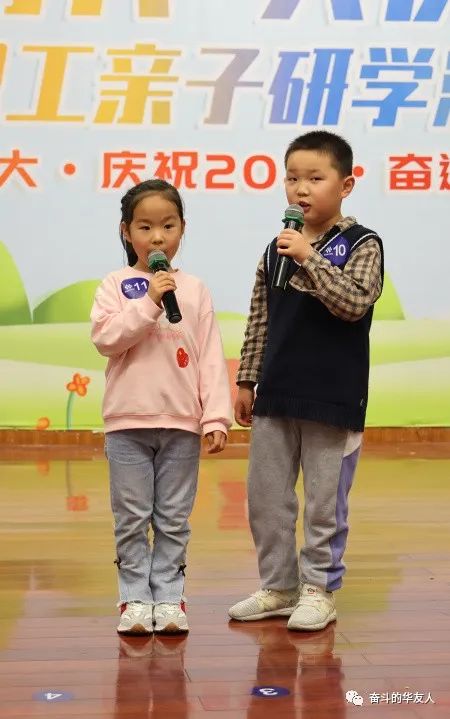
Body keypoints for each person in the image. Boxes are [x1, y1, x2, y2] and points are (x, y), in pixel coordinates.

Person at [228, 131, 383, 631]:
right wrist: (246, 381)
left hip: (333, 397)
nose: (301, 189)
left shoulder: (363, 244)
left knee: (323, 503)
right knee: (267, 498)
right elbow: (260, 320)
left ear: (346, 185)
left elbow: (354, 303)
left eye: (315, 178)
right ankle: (279, 586)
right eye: (292, 178)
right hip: (276, 393)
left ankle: (319, 589)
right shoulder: (276, 249)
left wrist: (308, 258)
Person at [91, 179, 232, 635]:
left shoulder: (194, 289)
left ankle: (169, 597)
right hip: (127, 423)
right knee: (132, 518)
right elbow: (106, 339)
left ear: (182, 228)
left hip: (181, 424)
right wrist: (149, 301)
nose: (157, 237)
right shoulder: (114, 285)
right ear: (125, 231)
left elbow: (210, 355)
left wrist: (215, 416)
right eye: (145, 227)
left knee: (173, 518)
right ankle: (134, 597)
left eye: (168, 226)